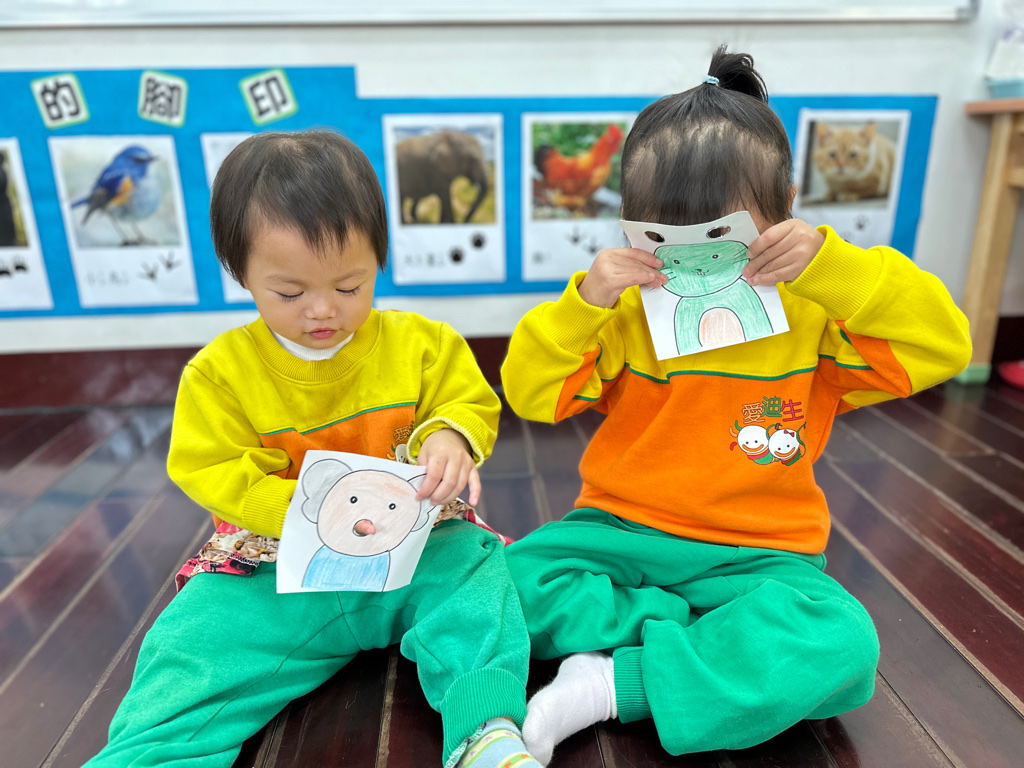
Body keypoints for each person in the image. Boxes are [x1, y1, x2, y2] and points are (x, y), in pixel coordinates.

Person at [501, 47, 972, 765]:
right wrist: (584, 303)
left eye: (722, 240)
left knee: (842, 641)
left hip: (760, 556)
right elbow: (530, 394)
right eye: (666, 241)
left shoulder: (817, 317)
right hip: (622, 536)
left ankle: (615, 680)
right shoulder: (625, 313)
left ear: (784, 214)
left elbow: (944, 344)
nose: (696, 265)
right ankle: (685, 634)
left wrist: (834, 265)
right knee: (502, 584)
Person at [86, 130, 539, 768]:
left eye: (350, 286)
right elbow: (210, 467)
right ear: (241, 273)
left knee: (477, 576)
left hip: (413, 548)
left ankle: (484, 730)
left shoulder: (423, 344)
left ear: (379, 257)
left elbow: (466, 402)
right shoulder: (219, 374)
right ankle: (149, 755)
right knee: (189, 642)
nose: (322, 310)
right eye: (290, 293)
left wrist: (449, 436)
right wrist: (300, 515)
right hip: (275, 567)